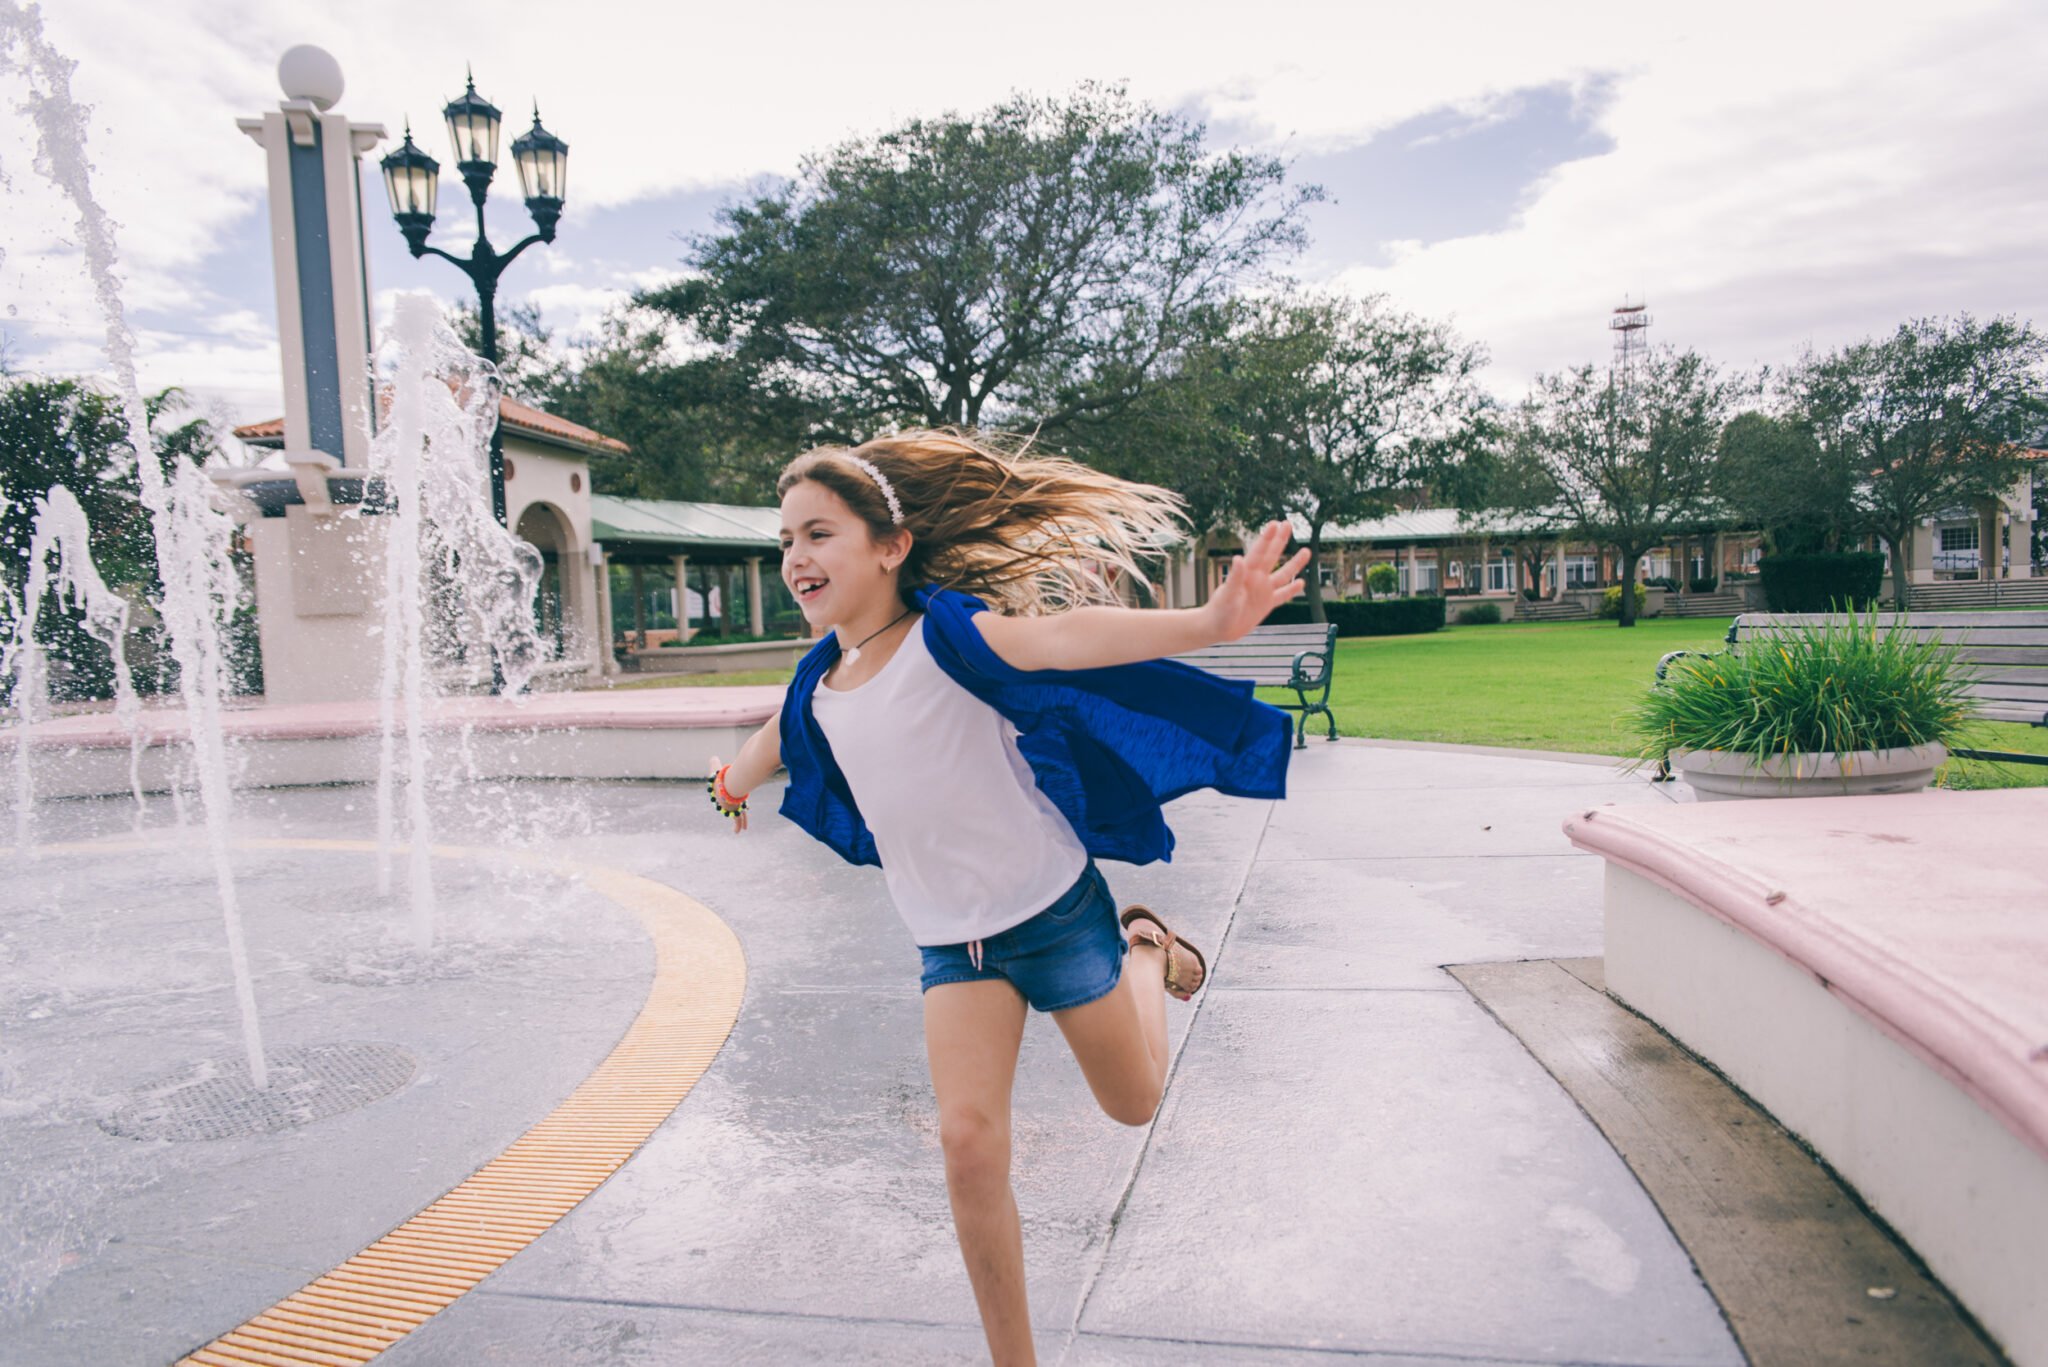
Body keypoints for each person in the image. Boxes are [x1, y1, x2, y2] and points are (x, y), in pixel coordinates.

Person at [709, 430, 1307, 1365]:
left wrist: (1210, 623)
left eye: (818, 534)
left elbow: (1065, 638)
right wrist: (730, 786)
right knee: (968, 1145)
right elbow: (767, 748)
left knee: (1134, 1103)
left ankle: (1145, 948)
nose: (795, 558)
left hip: (1053, 912)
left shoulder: (950, 637)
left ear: (890, 545)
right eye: (786, 540)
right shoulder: (815, 686)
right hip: (955, 949)